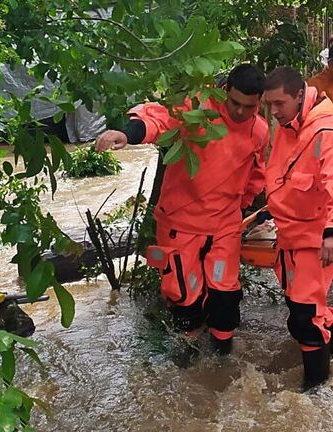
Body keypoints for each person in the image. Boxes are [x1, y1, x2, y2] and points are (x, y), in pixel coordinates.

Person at [94, 64, 269, 354]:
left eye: (248, 107)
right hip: (181, 221)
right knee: (184, 298)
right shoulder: (199, 108)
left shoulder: (259, 131)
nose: (239, 111)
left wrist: (243, 204)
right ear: (225, 91)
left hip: (225, 223)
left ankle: (221, 367)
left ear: (259, 102)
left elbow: (256, 173)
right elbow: (160, 119)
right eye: (235, 103)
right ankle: (187, 359)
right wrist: (128, 134)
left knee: (225, 298)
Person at [262, 67, 333, 389]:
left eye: (279, 103)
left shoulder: (327, 132)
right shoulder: (289, 128)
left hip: (316, 238)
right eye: (269, 105)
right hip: (289, 237)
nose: (273, 112)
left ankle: (317, 394)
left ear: (300, 96)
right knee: (303, 309)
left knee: (303, 320)